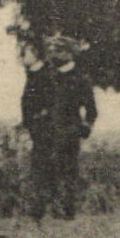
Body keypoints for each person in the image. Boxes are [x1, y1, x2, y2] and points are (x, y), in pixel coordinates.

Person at [20, 35, 97, 222]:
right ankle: (38, 212)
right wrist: (33, 125)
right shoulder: (43, 76)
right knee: (41, 171)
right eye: (52, 50)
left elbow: (91, 109)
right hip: (44, 132)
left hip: (69, 131)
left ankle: (67, 211)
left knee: (68, 171)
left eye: (59, 50)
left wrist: (85, 127)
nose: (54, 54)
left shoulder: (80, 78)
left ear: (70, 54)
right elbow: (28, 102)